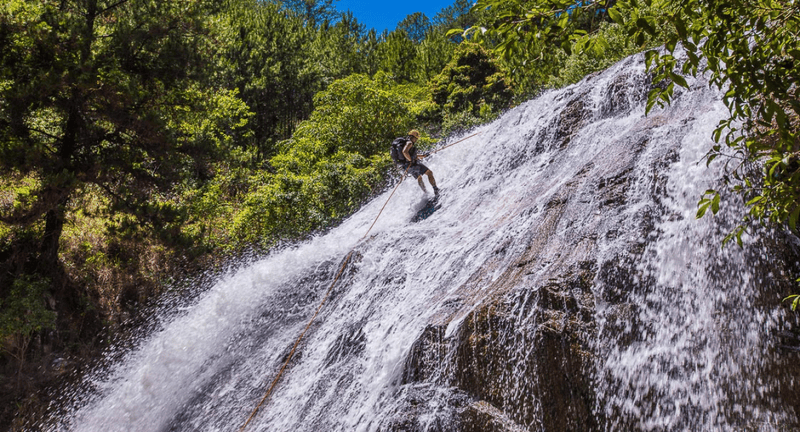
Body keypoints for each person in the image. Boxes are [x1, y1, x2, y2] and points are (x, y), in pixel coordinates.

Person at [400, 130, 439, 196]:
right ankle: (436, 190)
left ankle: (425, 193)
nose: (416, 139)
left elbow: (412, 155)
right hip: (413, 164)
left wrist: (423, 155)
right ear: (413, 137)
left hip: (407, 167)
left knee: (419, 177)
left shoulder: (405, 143)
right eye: (416, 138)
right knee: (429, 173)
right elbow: (404, 152)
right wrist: (410, 161)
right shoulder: (409, 143)